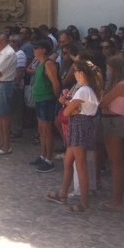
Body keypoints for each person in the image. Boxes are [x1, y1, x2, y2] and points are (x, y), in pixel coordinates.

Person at [46, 59, 101, 213]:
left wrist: (68, 105)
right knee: (68, 160)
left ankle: (84, 203)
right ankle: (62, 193)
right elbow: (72, 107)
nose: (74, 74)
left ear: (82, 73)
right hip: (81, 124)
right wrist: (69, 105)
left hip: (79, 125)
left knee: (80, 165)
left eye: (76, 71)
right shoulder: (89, 89)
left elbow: (67, 111)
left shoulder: (84, 90)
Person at [98, 55, 124, 211]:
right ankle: (115, 199)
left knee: (116, 163)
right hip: (111, 121)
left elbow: (103, 102)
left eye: (109, 69)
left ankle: (117, 201)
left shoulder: (121, 84)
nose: (107, 72)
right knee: (114, 162)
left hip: (115, 122)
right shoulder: (121, 84)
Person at [29, 40, 60, 173]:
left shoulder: (48, 64)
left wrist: (56, 97)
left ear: (43, 49)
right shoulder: (40, 63)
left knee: (47, 130)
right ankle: (43, 155)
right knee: (41, 129)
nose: (34, 50)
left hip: (47, 100)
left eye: (37, 47)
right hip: (40, 99)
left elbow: (55, 83)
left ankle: (49, 159)